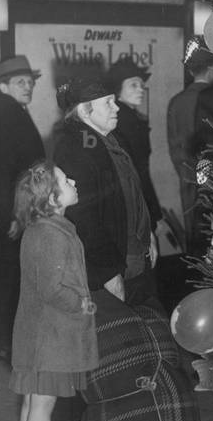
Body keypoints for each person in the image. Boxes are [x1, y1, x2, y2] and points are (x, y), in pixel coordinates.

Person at [9, 162, 98, 421]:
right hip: (48, 336)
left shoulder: (46, 228)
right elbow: (52, 289)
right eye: (65, 179)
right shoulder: (50, 234)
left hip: (38, 334)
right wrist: (81, 304)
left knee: (34, 403)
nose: (73, 180)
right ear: (51, 196)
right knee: (41, 405)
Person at [53, 75, 158, 306]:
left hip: (135, 255)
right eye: (108, 103)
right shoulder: (74, 150)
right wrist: (108, 273)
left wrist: (147, 232)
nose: (116, 107)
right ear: (84, 111)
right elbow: (83, 218)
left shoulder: (112, 140)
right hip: (113, 266)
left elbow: (133, 192)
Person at [0, 55, 45, 366]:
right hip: (9, 213)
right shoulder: (6, 113)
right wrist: (13, 216)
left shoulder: (4, 109)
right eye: (21, 82)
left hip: (4, 210)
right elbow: (1, 171)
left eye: (30, 82)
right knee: (6, 279)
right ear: (3, 85)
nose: (28, 87)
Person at [166, 43, 213, 253]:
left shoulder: (175, 103)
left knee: (194, 237)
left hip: (188, 180)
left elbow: (173, 145)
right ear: (212, 69)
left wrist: (188, 174)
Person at [105, 56, 162, 231]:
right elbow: (138, 172)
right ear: (118, 90)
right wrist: (154, 213)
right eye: (133, 85)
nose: (141, 89)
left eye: (141, 85)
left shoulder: (127, 117)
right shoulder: (127, 122)